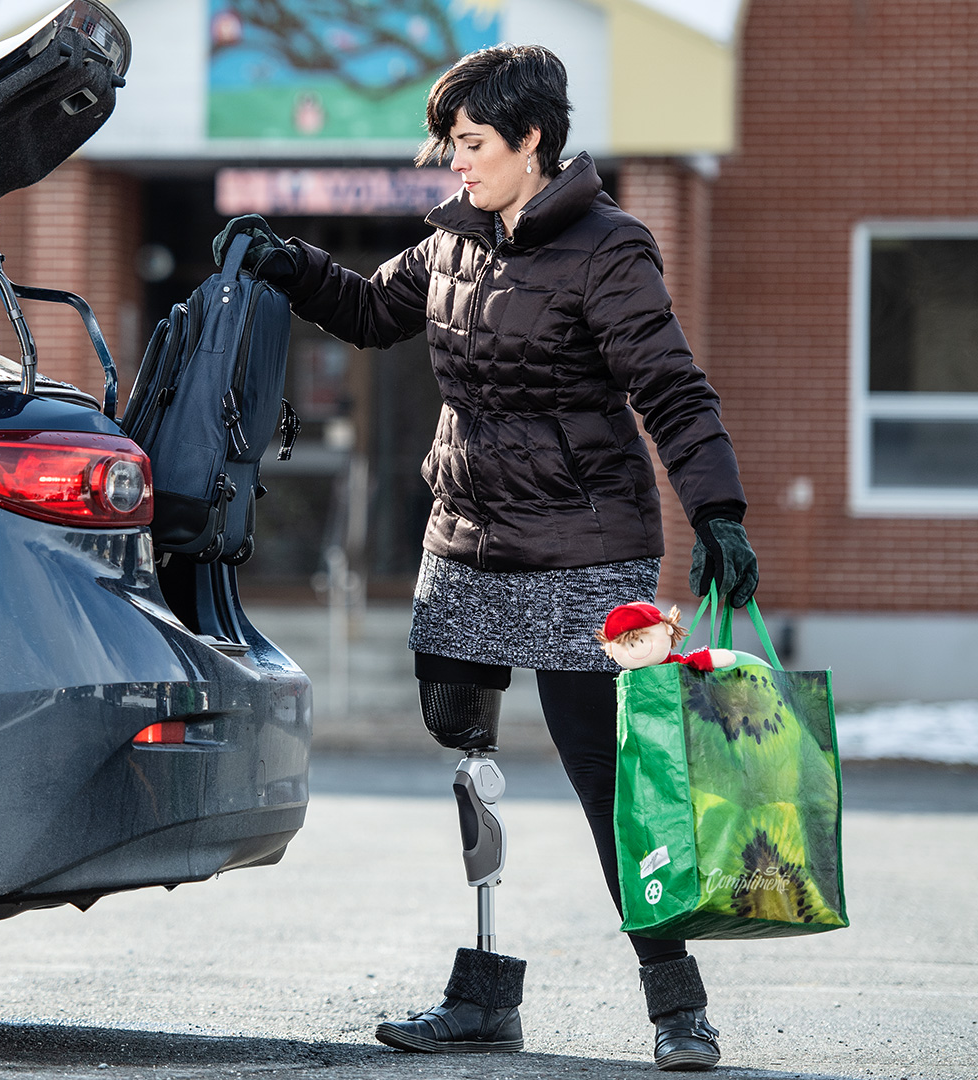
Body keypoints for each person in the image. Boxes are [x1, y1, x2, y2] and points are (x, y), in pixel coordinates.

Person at [212, 44, 756, 1072]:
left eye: (471, 145)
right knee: (474, 765)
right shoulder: (453, 241)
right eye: (449, 144)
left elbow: (672, 391)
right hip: (467, 542)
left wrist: (718, 510)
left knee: (611, 781)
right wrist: (288, 260)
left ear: (532, 140)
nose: (453, 163)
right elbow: (373, 313)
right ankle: (484, 997)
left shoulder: (610, 249)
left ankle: (677, 1005)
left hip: (586, 553)